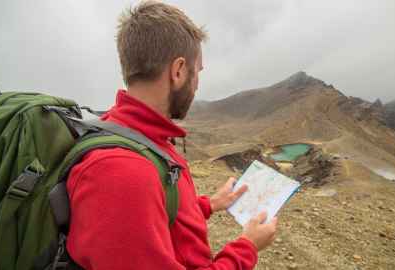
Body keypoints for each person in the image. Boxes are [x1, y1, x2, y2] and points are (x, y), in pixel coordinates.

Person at [65, 1, 278, 269]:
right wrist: (246, 247)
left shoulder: (138, 134)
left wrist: (209, 205)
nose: (197, 83)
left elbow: (158, 216)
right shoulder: (124, 173)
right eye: (196, 72)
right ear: (178, 71)